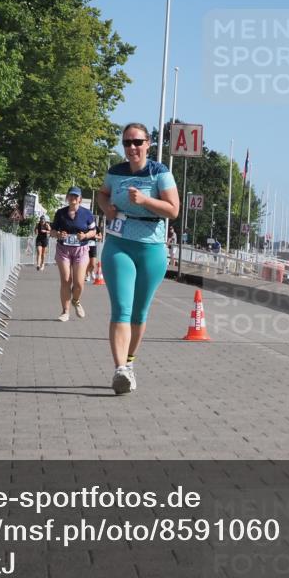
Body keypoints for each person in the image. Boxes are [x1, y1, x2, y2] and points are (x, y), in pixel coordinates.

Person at [97, 123, 179, 395]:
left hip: (151, 248)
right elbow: (102, 193)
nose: (132, 147)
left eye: (137, 142)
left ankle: (130, 363)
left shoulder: (160, 173)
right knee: (121, 308)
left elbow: (173, 210)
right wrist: (106, 207)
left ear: (148, 144)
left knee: (139, 312)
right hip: (119, 244)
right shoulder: (116, 172)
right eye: (127, 143)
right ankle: (120, 370)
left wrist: (145, 201)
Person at [52, 186, 96, 321]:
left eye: (76, 196)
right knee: (66, 280)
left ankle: (76, 300)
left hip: (81, 250)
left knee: (78, 283)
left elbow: (94, 231)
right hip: (63, 250)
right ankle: (65, 312)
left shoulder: (87, 214)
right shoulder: (60, 213)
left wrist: (85, 235)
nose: (73, 199)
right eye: (71, 196)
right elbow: (52, 232)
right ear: (67, 198)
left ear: (80, 199)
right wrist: (59, 234)